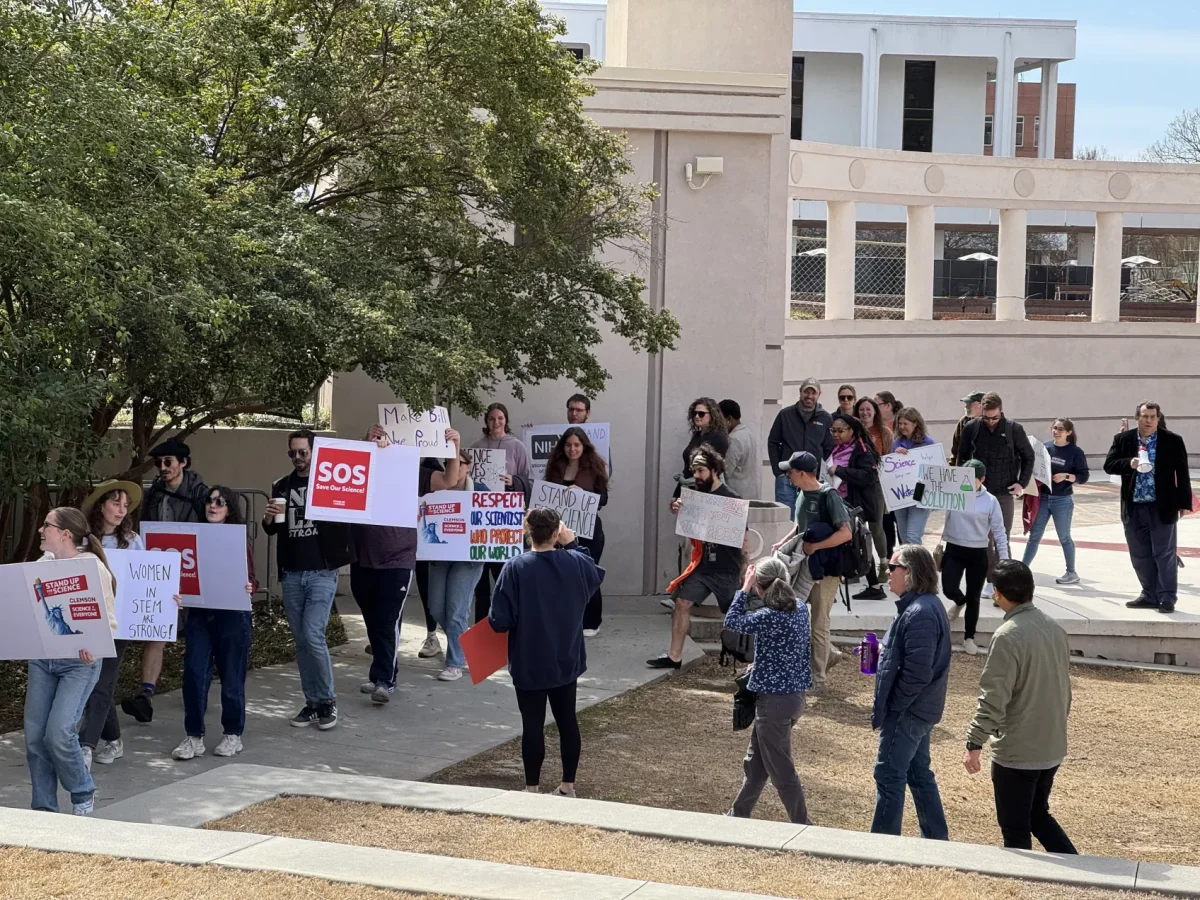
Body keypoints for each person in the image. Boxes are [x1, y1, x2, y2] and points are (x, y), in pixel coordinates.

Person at [489, 508, 604, 796]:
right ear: (557, 533)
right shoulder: (575, 561)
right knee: (567, 722)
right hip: (566, 657)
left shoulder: (515, 567)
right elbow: (593, 576)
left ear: (527, 531)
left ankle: (532, 787)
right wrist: (573, 543)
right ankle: (568, 784)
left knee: (532, 725)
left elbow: (499, 620)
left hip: (529, 658)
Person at [964, 560, 1076, 854]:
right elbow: (1064, 689)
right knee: (1038, 815)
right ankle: (1082, 870)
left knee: (1015, 829)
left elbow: (994, 696)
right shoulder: (1054, 628)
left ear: (998, 594)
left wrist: (974, 742)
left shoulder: (1007, 636)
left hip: (1018, 750)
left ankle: (1023, 885)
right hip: (1051, 745)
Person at [26, 507, 118, 815]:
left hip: (79, 664)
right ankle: (44, 808)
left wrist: (95, 644)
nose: (41, 529)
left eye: (46, 525)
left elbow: (110, 620)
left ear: (65, 534)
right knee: (35, 737)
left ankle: (82, 791)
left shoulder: (93, 568)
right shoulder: (42, 565)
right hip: (43, 660)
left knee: (59, 732)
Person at [264, 428, 353, 730]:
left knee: (314, 634)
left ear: (314, 452)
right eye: (293, 453)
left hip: (321, 571)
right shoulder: (281, 485)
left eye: (303, 452)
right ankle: (312, 702)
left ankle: (327, 699)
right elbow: (272, 529)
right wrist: (267, 518)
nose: (298, 458)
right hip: (292, 572)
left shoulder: (330, 481)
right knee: (301, 640)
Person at [121, 438, 209, 725]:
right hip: (162, 569)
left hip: (194, 569)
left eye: (168, 462)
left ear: (183, 462)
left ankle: (199, 693)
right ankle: (145, 695)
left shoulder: (201, 493)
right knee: (157, 631)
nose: (162, 467)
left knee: (198, 634)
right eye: (159, 463)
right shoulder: (154, 493)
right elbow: (145, 529)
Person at [870, 544, 951, 841]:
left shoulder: (920, 612)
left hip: (910, 710)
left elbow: (918, 672)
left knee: (889, 774)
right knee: (918, 774)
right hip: (919, 708)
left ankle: (882, 844)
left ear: (910, 572)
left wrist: (896, 704)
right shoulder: (920, 607)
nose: (887, 574)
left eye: (892, 568)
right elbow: (910, 657)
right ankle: (935, 839)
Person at [724, 558, 813, 824]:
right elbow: (782, 647)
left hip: (773, 704)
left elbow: (732, 621)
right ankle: (738, 814)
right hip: (793, 699)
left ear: (759, 589)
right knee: (756, 763)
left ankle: (803, 824)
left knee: (781, 770)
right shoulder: (800, 608)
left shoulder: (769, 616)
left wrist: (744, 588)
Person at [172, 486, 257, 760]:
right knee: (194, 673)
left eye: (220, 502)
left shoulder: (239, 541)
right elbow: (185, 574)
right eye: (209, 500)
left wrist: (249, 586)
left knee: (232, 678)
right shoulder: (193, 537)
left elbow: (252, 578)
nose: (213, 505)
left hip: (232, 616)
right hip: (200, 615)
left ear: (229, 508)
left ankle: (233, 734)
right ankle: (193, 736)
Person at [650, 445, 746, 670]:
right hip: (702, 566)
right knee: (682, 602)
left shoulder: (731, 498)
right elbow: (691, 525)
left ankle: (748, 662)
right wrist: (679, 509)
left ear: (714, 470)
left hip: (727, 569)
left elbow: (744, 537)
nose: (696, 476)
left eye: (701, 471)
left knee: (737, 615)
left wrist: (745, 568)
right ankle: (674, 657)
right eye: (694, 471)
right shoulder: (695, 497)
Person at [769, 452, 851, 688]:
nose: (787, 476)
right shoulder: (800, 494)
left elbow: (846, 533)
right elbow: (799, 527)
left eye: (790, 472)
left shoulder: (829, 496)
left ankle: (818, 678)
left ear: (802, 473)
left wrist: (816, 547)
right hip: (802, 565)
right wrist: (782, 543)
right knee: (796, 617)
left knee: (818, 622)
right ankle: (829, 655)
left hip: (827, 569)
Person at [77, 480, 144, 770]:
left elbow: (147, 579)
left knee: (102, 683)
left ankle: (85, 746)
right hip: (89, 622)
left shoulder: (133, 540)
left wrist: (168, 600)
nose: (121, 509)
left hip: (121, 623)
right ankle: (114, 739)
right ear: (101, 504)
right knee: (95, 685)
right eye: (116, 503)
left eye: (125, 505)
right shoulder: (83, 540)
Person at [1103, 401, 1192, 614]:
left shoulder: (1172, 441)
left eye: (1152, 417)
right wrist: (1129, 463)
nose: (1149, 420)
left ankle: (1167, 597)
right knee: (1140, 554)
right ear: (1137, 418)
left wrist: (1184, 503)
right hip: (1134, 507)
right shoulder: (1123, 439)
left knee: (1164, 554)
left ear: (1158, 418)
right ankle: (1149, 595)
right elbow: (1109, 465)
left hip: (1162, 506)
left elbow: (1182, 473)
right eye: (1144, 416)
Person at [956, 392, 1034, 597]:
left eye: (994, 417)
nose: (990, 422)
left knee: (1001, 537)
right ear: (981, 411)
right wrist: (962, 484)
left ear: (1001, 411)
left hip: (1004, 491)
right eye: (986, 417)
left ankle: (998, 581)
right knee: (981, 537)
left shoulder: (1013, 429)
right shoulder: (971, 428)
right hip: (978, 491)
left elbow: (1028, 456)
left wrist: (1021, 483)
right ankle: (986, 577)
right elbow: (961, 457)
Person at [419, 443, 481, 682]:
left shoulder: (481, 491)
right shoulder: (435, 492)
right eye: (450, 464)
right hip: (440, 556)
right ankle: (464, 646)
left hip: (467, 560)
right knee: (435, 607)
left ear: (468, 468)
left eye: (461, 464)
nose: (455, 468)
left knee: (456, 611)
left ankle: (455, 663)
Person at [544, 427, 609, 636]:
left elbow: (604, 499)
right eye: (569, 444)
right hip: (560, 530)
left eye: (577, 445)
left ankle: (591, 621)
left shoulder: (594, 466)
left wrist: (584, 494)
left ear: (584, 446)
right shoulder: (555, 466)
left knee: (588, 572)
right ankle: (567, 620)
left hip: (589, 530)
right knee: (562, 577)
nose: (572, 449)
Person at [472, 403, 534, 622]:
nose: (496, 422)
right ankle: (481, 628)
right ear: (486, 421)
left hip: (505, 519)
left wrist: (514, 481)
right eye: (491, 418)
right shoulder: (477, 447)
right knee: (480, 582)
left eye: (500, 418)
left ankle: (506, 625)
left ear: (506, 420)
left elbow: (530, 481)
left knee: (504, 576)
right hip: (481, 519)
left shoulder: (517, 447)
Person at [942, 460, 1010, 655]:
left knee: (975, 597)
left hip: (978, 552)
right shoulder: (952, 493)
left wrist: (1003, 558)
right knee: (948, 587)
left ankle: (969, 636)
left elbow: (999, 530)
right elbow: (928, 501)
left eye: (971, 479)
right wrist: (923, 486)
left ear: (982, 479)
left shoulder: (990, 501)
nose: (966, 482)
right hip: (953, 548)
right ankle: (958, 600)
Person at [826, 413, 887, 601]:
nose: (835, 434)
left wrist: (840, 471)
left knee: (857, 545)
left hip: (856, 504)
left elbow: (867, 476)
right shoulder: (838, 448)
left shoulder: (862, 449)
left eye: (840, 431)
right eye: (833, 431)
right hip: (841, 501)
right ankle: (873, 585)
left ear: (851, 431)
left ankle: (871, 586)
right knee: (851, 545)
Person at [1022, 418, 1089, 584]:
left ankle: (1071, 572)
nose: (1056, 431)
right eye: (1054, 428)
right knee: (1034, 536)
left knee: (1064, 537)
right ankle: (1023, 570)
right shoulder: (1045, 447)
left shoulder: (1075, 452)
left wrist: (1066, 476)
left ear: (1068, 432)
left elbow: (1083, 476)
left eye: (1060, 429)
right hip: (1043, 497)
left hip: (1062, 500)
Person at [767, 378, 833, 511]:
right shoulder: (785, 414)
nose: (809, 396)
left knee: (810, 519)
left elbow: (828, 447)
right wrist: (778, 471)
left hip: (811, 479)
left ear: (819, 394)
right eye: (806, 392)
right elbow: (773, 442)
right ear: (800, 392)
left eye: (813, 393)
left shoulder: (826, 418)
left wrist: (816, 467)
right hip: (787, 477)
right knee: (786, 519)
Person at [855, 397, 893, 581]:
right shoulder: (853, 431)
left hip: (877, 485)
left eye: (868, 409)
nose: (865, 413)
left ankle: (884, 565)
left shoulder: (884, 433)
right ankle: (858, 566)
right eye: (861, 409)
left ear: (875, 412)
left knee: (877, 526)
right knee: (857, 527)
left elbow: (891, 458)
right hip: (856, 484)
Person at [891, 407, 937, 546]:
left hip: (920, 493)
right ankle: (908, 567)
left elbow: (935, 470)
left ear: (915, 423)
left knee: (913, 536)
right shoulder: (897, 442)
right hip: (901, 494)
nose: (902, 427)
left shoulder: (928, 442)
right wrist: (895, 455)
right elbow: (891, 469)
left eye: (906, 423)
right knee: (904, 539)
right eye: (900, 423)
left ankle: (918, 567)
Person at [676, 398, 730, 492]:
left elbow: (713, 470)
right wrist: (677, 493)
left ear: (712, 415)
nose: (697, 416)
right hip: (690, 488)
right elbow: (686, 469)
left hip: (706, 491)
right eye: (694, 413)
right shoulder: (697, 436)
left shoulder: (718, 438)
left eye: (701, 413)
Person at [873, 392, 902, 558]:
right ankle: (890, 559)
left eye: (877, 405)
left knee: (901, 525)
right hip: (882, 485)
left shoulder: (901, 424)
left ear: (888, 406)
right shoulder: (876, 428)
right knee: (886, 524)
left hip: (900, 484)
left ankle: (905, 559)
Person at [719, 398, 760, 502]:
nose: (718, 424)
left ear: (729, 419)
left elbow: (726, 471)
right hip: (750, 492)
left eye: (720, 420)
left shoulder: (734, 439)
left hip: (736, 494)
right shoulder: (748, 433)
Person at [950, 391, 984, 466]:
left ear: (981, 405)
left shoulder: (990, 422)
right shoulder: (963, 421)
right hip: (965, 468)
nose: (966, 406)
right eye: (966, 404)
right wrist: (952, 467)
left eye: (969, 404)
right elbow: (955, 449)